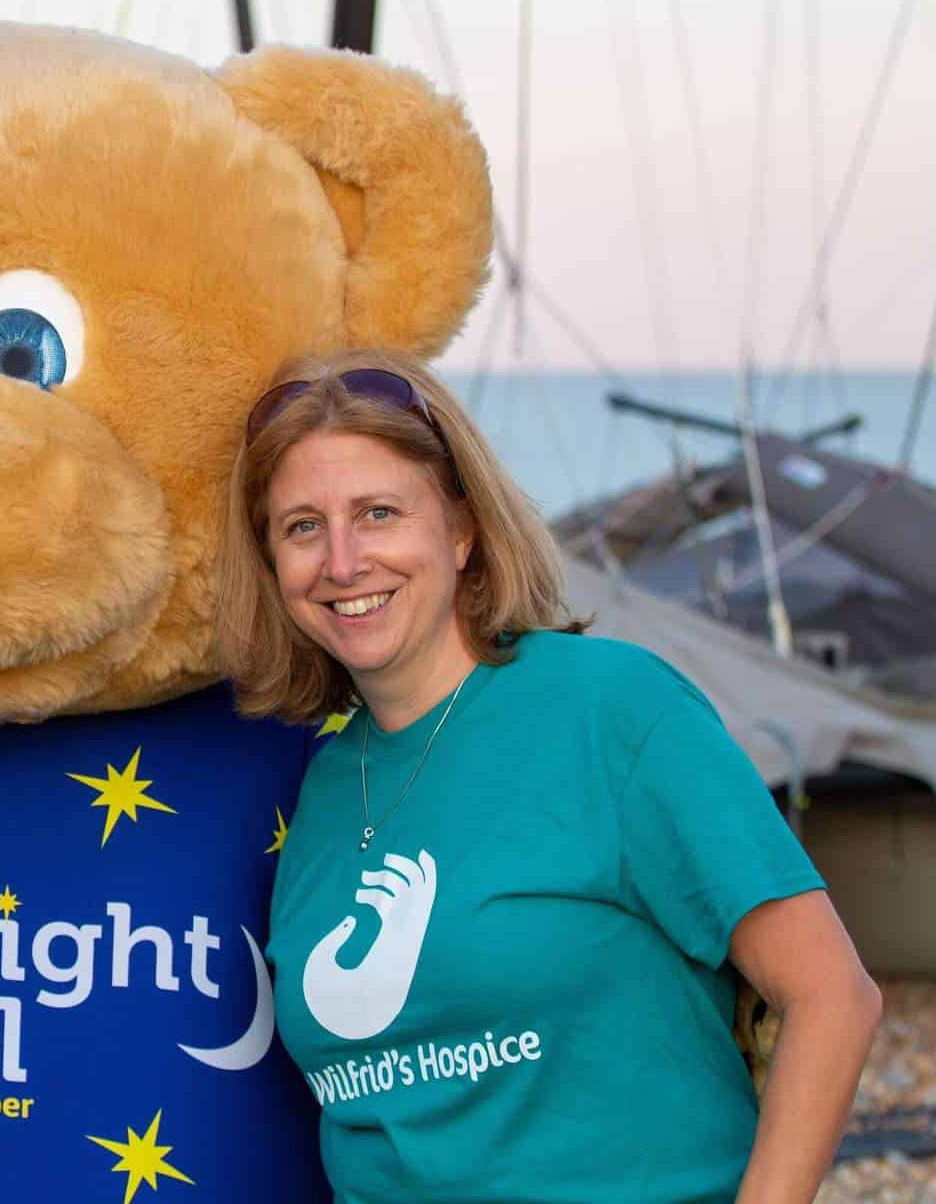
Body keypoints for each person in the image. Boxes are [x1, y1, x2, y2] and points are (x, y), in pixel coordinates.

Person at [215, 349, 879, 1203]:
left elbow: (833, 997)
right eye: (303, 526)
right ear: (272, 564)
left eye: (378, 513)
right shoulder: (324, 784)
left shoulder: (610, 709)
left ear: (460, 528)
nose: (343, 562)